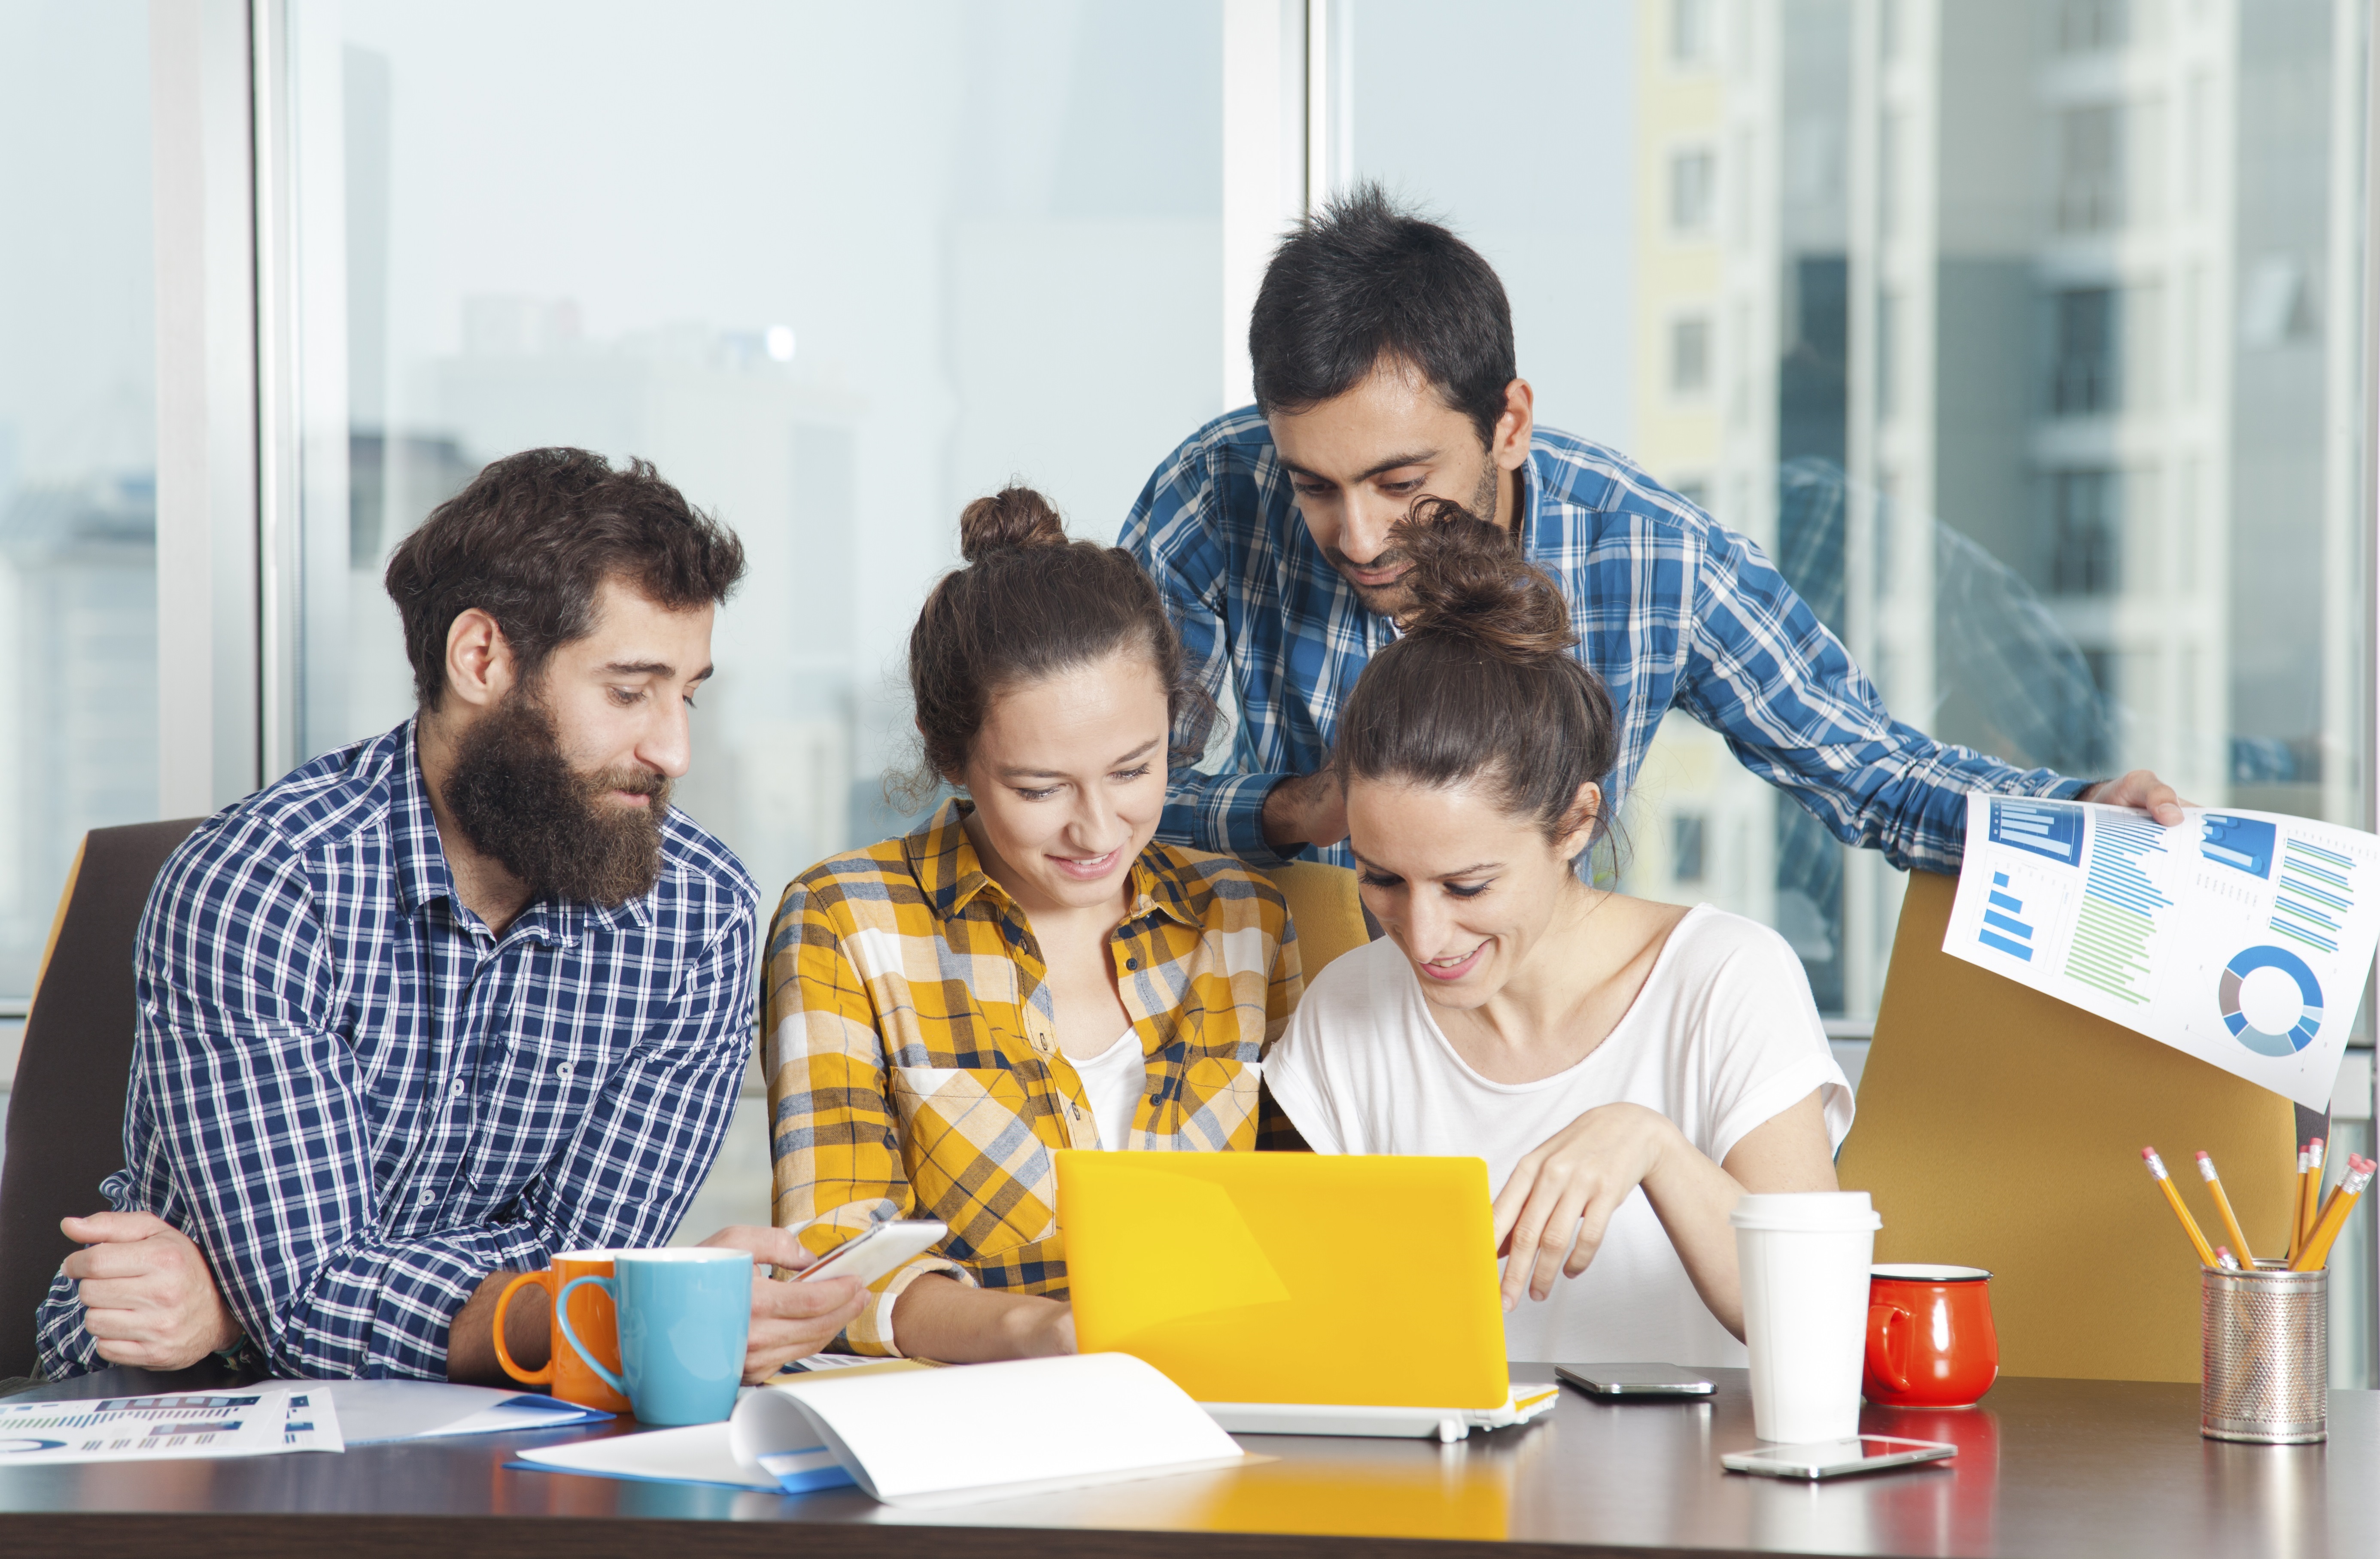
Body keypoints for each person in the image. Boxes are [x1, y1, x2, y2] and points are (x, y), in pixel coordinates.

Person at [36, 448, 866, 1382]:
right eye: (630, 692)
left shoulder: (699, 916)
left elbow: (577, 1275)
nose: (673, 747)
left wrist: (240, 1299)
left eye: (689, 693)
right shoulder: (261, 886)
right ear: (482, 658)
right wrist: (598, 1307)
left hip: (497, 1410)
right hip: (181, 1396)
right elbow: (324, 1302)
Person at [1122, 183, 2184, 871]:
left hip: (1523, 1054)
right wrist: (1295, 811)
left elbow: (1869, 769)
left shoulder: (1658, 557)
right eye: (1314, 486)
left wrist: (2075, 810)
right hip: (1269, 1037)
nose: (1356, 536)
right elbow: (1098, 804)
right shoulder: (1218, 490)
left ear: (1510, 423)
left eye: (1402, 481)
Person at [1264, 501, 1851, 1367]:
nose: (1422, 935)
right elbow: (1301, 1320)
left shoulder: (1727, 981)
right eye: (1382, 876)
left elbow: (1825, 1323)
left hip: (1696, 1495)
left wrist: (1652, 1144)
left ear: (1576, 823)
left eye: (1468, 885)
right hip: (1437, 1489)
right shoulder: (1350, 1008)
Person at [763, 486, 1301, 1363]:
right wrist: (1044, 1333)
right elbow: (837, 1260)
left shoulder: (1244, 919)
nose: (1096, 829)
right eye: (1040, 790)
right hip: (979, 1424)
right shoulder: (847, 923)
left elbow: (1307, 1218)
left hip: (1226, 1401)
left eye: (1134, 769)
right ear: (953, 758)